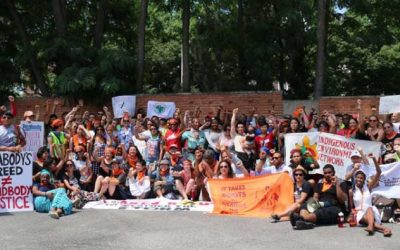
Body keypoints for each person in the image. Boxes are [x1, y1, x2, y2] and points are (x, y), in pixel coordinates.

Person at [291, 164, 347, 230]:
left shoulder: (341, 183)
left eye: (329, 172)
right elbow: (315, 197)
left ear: (334, 172)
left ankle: (302, 220)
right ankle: (303, 221)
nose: (327, 175)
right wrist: (314, 205)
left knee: (321, 212)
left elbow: (342, 200)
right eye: (325, 173)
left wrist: (336, 184)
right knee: (304, 205)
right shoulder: (320, 183)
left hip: (335, 207)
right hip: (321, 204)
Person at [350, 156, 392, 236]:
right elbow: (350, 206)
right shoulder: (352, 190)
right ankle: (385, 229)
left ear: (364, 180)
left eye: (361, 178)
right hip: (359, 213)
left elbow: (379, 172)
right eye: (357, 177)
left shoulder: (368, 187)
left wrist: (374, 159)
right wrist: (351, 212)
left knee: (369, 208)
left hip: (371, 211)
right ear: (355, 178)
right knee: (366, 217)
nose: (359, 179)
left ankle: (371, 227)